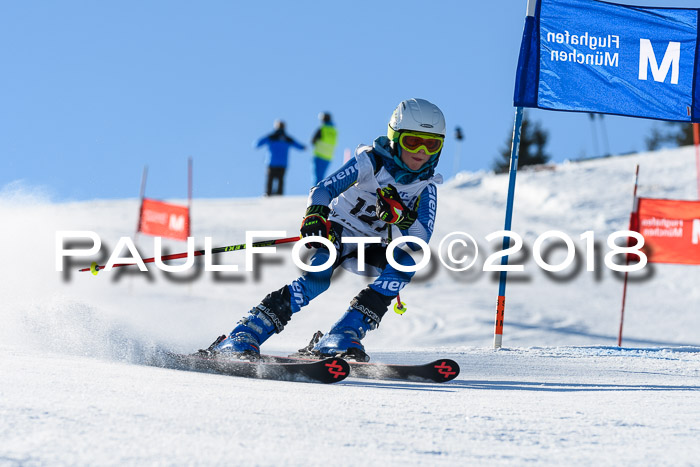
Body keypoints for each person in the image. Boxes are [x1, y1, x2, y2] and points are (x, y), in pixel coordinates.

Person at [208, 98, 445, 361]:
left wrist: (402, 218)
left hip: (373, 245)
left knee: (404, 264)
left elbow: (420, 239)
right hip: (340, 232)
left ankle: (343, 333)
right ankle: (244, 333)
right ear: (394, 138)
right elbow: (323, 189)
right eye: (412, 141)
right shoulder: (371, 162)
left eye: (432, 144)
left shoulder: (426, 186)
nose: (422, 151)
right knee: (317, 278)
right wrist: (315, 214)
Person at [255, 120, 305, 196]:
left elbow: (256, 144)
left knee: (270, 179)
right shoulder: (288, 138)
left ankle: (268, 194)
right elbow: (300, 147)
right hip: (283, 163)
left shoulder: (271, 137)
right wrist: (304, 147)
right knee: (280, 180)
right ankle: (279, 194)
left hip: (272, 162)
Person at [311, 112, 338, 184]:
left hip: (319, 154)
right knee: (323, 176)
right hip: (329, 156)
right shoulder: (334, 130)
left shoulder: (322, 129)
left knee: (317, 176)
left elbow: (312, 141)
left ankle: (315, 192)